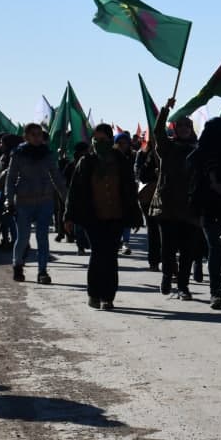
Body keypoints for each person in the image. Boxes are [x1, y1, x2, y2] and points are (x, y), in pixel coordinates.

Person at [64, 123, 143, 311]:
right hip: (93, 217)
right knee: (98, 254)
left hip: (116, 216)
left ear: (110, 139)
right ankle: (94, 293)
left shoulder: (121, 161)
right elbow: (74, 191)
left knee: (111, 256)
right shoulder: (86, 162)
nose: (99, 143)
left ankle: (108, 297)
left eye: (103, 139)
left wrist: (135, 214)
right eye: (95, 139)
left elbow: (130, 191)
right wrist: (68, 216)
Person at [3, 122, 66, 285]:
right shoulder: (18, 154)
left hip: (45, 201)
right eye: (34, 134)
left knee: (42, 238)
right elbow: (10, 179)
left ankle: (42, 272)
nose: (38, 138)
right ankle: (18, 265)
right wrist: (9, 200)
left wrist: (66, 198)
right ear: (26, 137)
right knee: (23, 238)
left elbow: (56, 177)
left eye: (40, 134)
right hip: (24, 202)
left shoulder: (48, 154)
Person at [150, 103, 200, 301]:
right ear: (175, 129)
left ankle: (183, 286)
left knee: (188, 250)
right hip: (168, 205)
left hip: (190, 206)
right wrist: (165, 111)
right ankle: (166, 276)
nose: (184, 129)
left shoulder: (198, 149)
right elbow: (157, 132)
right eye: (180, 126)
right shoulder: (167, 147)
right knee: (168, 248)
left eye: (187, 126)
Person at [191, 118, 221, 309]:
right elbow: (200, 178)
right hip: (209, 207)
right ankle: (216, 291)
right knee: (217, 248)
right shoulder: (202, 153)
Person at [135, 139, 162, 272]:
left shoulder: (168, 151)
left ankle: (169, 263)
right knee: (153, 229)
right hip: (149, 196)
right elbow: (140, 175)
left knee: (167, 231)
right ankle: (154, 261)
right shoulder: (143, 153)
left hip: (167, 196)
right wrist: (153, 171)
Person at [114, 131, 135, 256]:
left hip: (127, 194)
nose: (122, 145)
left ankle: (125, 243)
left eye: (125, 143)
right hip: (113, 195)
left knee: (127, 220)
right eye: (120, 143)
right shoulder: (111, 157)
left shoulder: (131, 156)